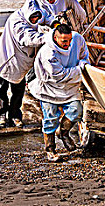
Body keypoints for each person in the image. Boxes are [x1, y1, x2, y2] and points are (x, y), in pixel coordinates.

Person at [29, 24, 89, 162]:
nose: (68, 44)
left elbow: (84, 56)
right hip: (49, 87)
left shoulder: (77, 39)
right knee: (50, 118)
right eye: (64, 41)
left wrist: (83, 65)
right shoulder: (48, 53)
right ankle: (50, 149)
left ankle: (63, 133)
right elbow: (59, 75)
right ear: (55, 38)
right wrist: (79, 69)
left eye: (69, 40)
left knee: (77, 111)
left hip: (70, 86)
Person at [0, 0, 53, 128]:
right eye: (33, 18)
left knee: (18, 91)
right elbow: (28, 39)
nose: (36, 20)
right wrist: (49, 37)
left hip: (21, 63)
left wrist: (55, 23)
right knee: (1, 89)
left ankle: (15, 116)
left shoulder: (34, 15)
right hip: (7, 59)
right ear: (27, 14)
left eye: (37, 17)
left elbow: (47, 17)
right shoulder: (17, 21)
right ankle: (1, 114)